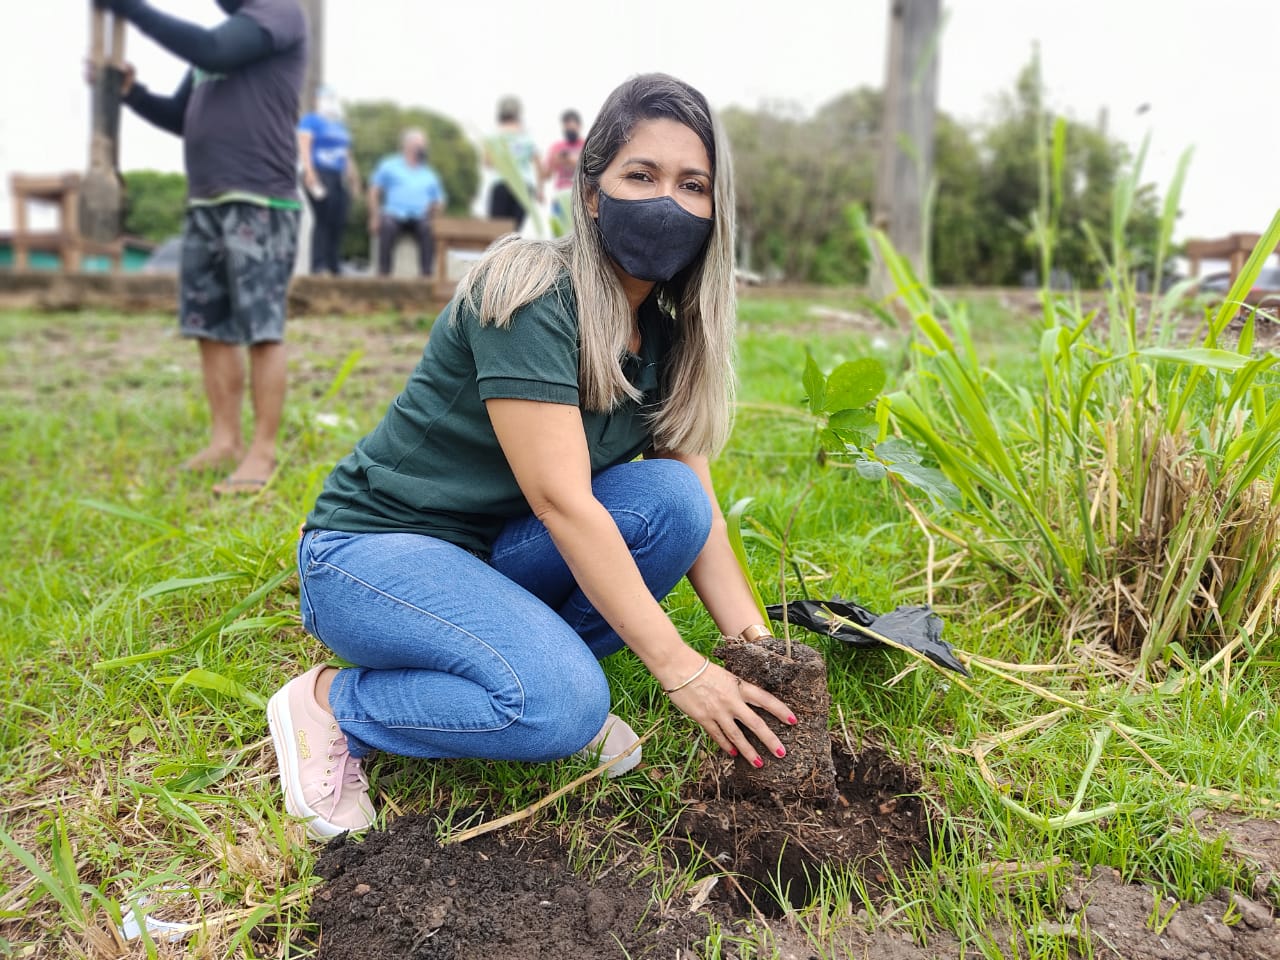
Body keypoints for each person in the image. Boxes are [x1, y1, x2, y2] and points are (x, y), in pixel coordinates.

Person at [266, 72, 798, 839]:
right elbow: (562, 502)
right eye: (640, 176)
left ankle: (537, 680)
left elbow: (702, 518)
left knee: (674, 503)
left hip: (488, 558)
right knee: (559, 705)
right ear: (590, 192)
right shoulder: (531, 293)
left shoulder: (673, 339)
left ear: (717, 211)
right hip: (373, 555)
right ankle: (328, 705)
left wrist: (761, 657)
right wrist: (681, 668)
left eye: (693, 185)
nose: (666, 203)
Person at [95, 0, 306, 495]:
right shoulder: (221, 43)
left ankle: (262, 450)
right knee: (207, 325)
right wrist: (132, 92)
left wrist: (130, 9)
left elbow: (210, 48)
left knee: (261, 328)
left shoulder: (278, 13)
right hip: (206, 200)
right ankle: (224, 441)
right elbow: (180, 116)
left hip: (260, 201)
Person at [298, 85, 360, 276]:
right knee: (322, 219)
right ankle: (319, 265)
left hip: (338, 176)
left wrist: (354, 178)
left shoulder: (339, 125)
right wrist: (309, 172)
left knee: (338, 219)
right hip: (319, 172)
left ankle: (334, 264)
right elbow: (304, 146)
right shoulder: (311, 121)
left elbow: (346, 155)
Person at [368, 129, 446, 277]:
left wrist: (435, 207)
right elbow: (374, 191)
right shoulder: (389, 165)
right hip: (394, 214)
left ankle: (426, 276)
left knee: (429, 228)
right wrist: (374, 216)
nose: (424, 149)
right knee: (387, 225)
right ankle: (383, 274)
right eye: (421, 145)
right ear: (408, 146)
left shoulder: (429, 173)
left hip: (420, 216)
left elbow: (440, 201)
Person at [485, 95, 544, 231]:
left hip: (501, 183)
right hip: (523, 185)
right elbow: (538, 165)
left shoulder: (493, 136)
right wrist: (540, 190)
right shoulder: (527, 137)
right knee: (514, 232)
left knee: (497, 232)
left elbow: (487, 162)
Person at [543, 109, 585, 222]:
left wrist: (569, 159)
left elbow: (588, 167)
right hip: (560, 195)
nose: (569, 130)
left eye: (572, 126)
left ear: (579, 126)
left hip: (580, 195)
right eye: (566, 127)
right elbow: (546, 175)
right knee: (559, 232)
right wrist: (554, 161)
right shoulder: (556, 147)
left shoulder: (586, 145)